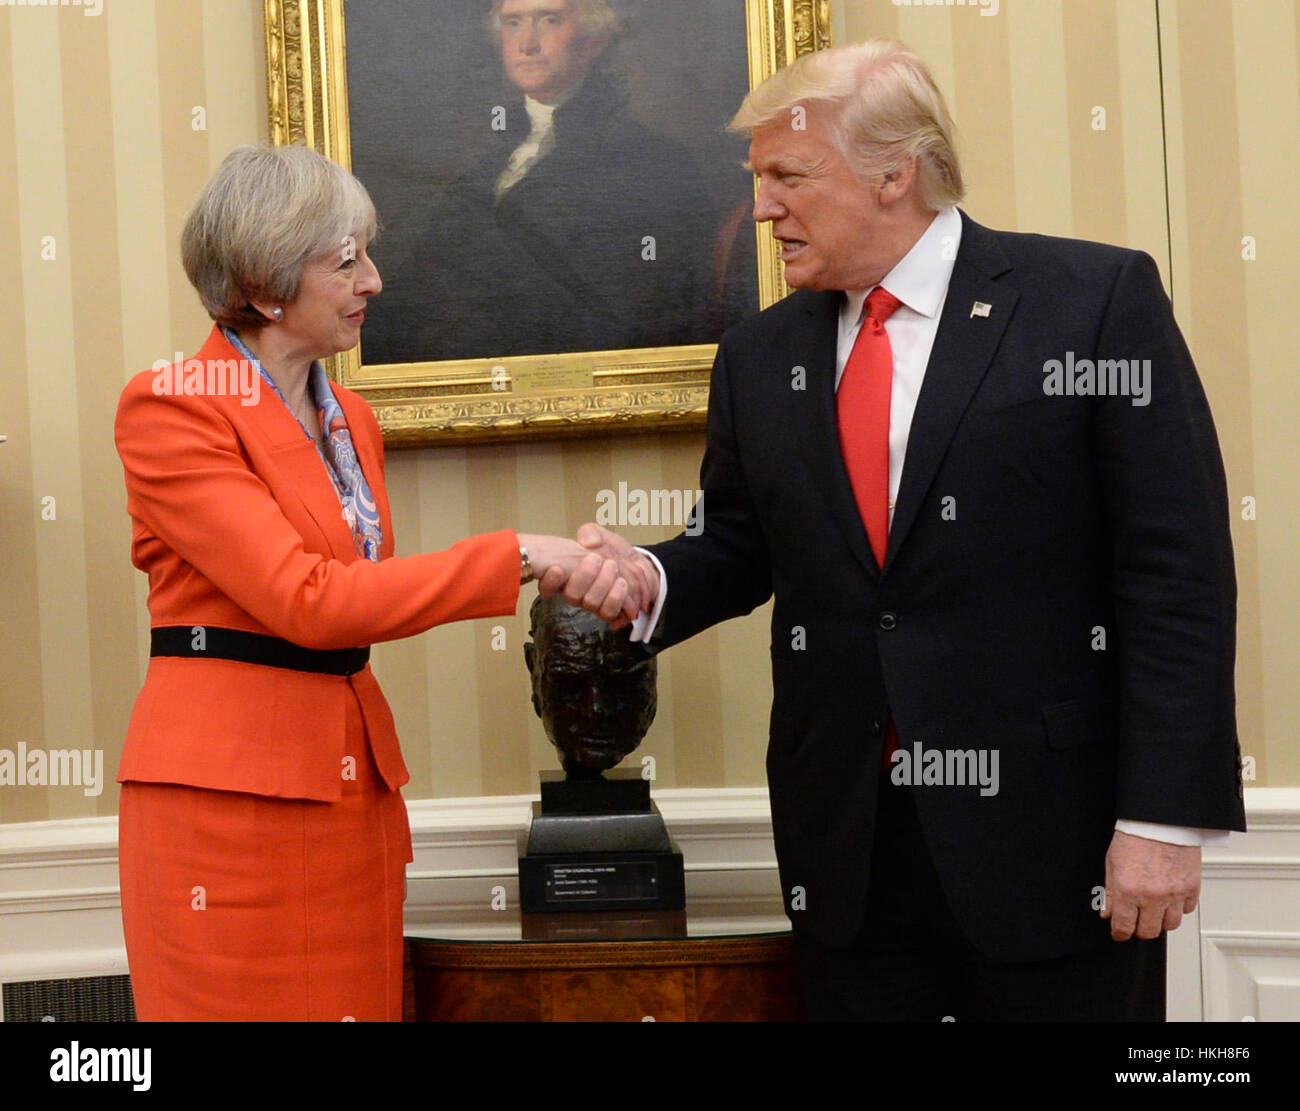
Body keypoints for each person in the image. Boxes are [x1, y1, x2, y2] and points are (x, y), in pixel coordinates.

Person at [554, 39, 1246, 1020]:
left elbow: (1175, 576)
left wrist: (1164, 818)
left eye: (787, 176)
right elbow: (737, 545)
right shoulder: (759, 355)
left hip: (1057, 851)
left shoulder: (1088, 306)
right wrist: (646, 580)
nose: (759, 208)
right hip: (848, 857)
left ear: (894, 174)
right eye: (758, 180)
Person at [113, 143, 636, 1021]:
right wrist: (518, 553)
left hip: (350, 794)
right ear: (268, 280)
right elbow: (309, 600)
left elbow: (360, 589)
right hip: (228, 820)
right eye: (347, 259)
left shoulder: (350, 415)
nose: (376, 281)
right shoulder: (172, 405)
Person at [363, 0, 719, 365]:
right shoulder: (487, 167)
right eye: (513, 23)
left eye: (548, 20)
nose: (527, 43)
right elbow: (420, 286)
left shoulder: (653, 162)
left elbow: (649, 311)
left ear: (593, 40)